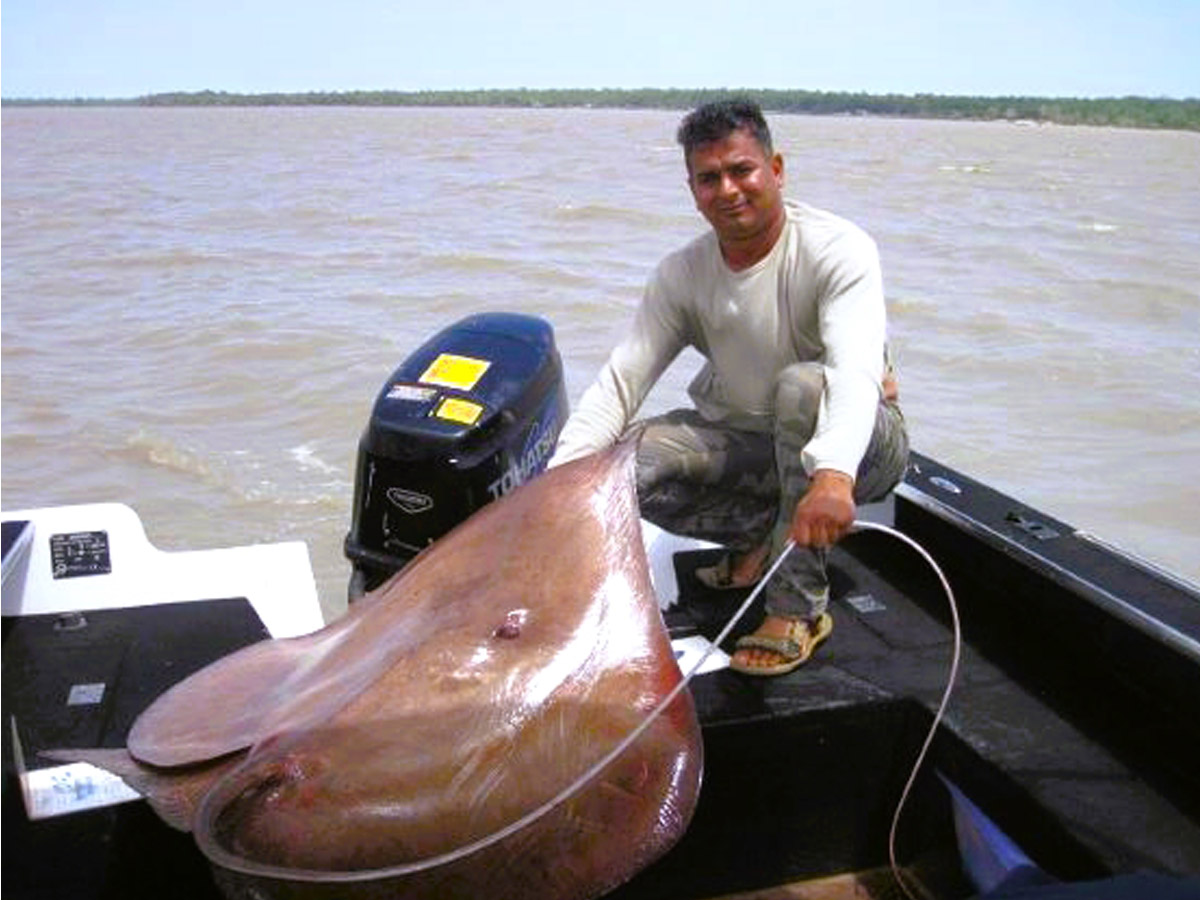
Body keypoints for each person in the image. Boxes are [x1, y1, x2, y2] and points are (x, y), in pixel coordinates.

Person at [549, 99, 909, 676]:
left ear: (777, 169)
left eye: (742, 170)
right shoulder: (681, 274)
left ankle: (797, 609)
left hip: (860, 445)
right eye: (709, 178)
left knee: (802, 388)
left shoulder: (839, 249)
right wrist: (555, 492)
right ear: (692, 190)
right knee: (627, 460)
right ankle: (761, 538)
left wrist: (836, 473)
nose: (728, 190)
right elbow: (621, 383)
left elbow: (853, 375)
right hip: (756, 445)